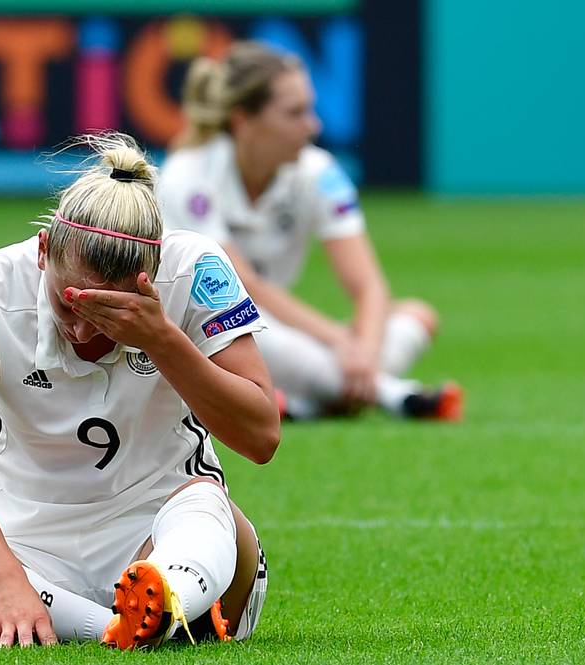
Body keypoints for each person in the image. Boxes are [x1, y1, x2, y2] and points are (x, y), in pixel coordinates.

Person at [0, 133, 278, 649]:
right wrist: (6, 581)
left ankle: (161, 600)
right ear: (43, 250)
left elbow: (261, 438)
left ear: (153, 275)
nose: (82, 330)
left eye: (108, 312)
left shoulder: (195, 267)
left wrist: (162, 339)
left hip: (160, 529)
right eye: (68, 304)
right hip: (25, 550)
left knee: (209, 509)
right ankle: (118, 628)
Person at [157, 42, 462, 421]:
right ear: (243, 121)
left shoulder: (320, 172)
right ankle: (398, 396)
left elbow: (368, 285)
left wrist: (364, 349)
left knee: (417, 316)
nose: (313, 125)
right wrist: (338, 339)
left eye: (310, 109)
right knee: (251, 329)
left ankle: (303, 403)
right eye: (295, 113)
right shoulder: (188, 174)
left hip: (282, 331)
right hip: (207, 329)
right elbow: (246, 287)